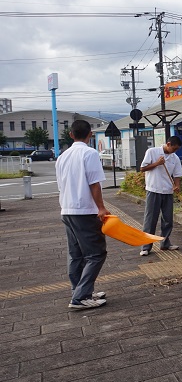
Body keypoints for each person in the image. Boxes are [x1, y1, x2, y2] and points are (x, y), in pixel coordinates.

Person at [55, 120, 110, 310]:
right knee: (96, 254)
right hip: (84, 211)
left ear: (71, 134)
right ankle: (80, 297)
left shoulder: (62, 156)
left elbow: (61, 185)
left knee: (76, 255)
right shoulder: (90, 153)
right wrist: (101, 208)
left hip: (67, 209)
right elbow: (94, 184)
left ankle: (79, 291)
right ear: (90, 134)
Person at [139, 136, 182, 256]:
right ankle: (146, 246)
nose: (175, 151)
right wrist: (157, 163)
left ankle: (165, 243)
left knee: (168, 219)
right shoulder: (152, 152)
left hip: (168, 191)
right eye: (174, 149)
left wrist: (177, 185)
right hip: (154, 189)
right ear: (168, 144)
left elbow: (177, 174)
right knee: (150, 219)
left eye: (177, 149)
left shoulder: (175, 158)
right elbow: (142, 168)